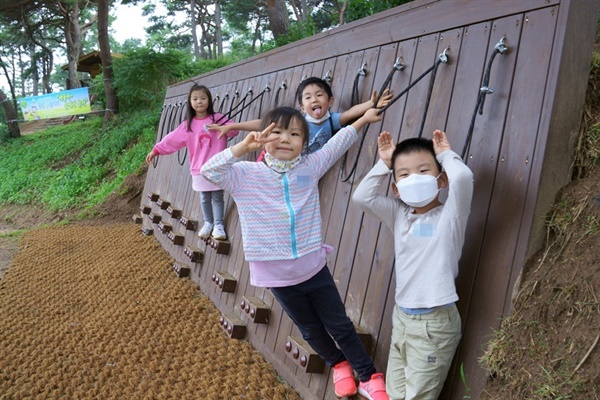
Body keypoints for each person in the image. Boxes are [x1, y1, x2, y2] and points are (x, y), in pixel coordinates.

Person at [201, 106, 389, 400]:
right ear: (263, 136)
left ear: (304, 141)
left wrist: (363, 119)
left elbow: (336, 145)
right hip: (277, 276)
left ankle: (367, 375)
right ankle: (338, 365)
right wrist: (241, 147)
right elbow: (209, 171)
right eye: (276, 131)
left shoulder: (309, 169)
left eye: (294, 133)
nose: (285, 139)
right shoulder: (244, 175)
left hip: (312, 266)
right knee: (311, 330)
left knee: (339, 323)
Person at [352, 130, 474, 400]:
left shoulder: (450, 216)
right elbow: (362, 197)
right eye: (404, 175)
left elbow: (463, 177)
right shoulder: (399, 214)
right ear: (396, 187)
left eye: (423, 170)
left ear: (441, 179)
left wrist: (444, 154)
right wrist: (384, 164)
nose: (414, 179)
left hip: (434, 323)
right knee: (396, 393)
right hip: (403, 318)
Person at [145, 84, 238, 240]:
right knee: (204, 197)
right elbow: (171, 139)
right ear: (190, 102)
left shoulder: (218, 118)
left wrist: (224, 126)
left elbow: (234, 130)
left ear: (209, 100)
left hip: (217, 167)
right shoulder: (187, 125)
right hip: (199, 168)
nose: (199, 102)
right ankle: (208, 223)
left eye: (203, 98)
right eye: (195, 99)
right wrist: (156, 150)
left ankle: (219, 225)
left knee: (217, 196)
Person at [207, 76, 392, 154]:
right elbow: (263, 124)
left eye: (320, 95)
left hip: (310, 168)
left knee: (302, 188)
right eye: (308, 97)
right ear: (302, 106)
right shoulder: (297, 119)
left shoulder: (332, 120)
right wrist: (233, 126)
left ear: (331, 101)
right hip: (285, 160)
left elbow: (351, 113)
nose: (314, 100)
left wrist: (371, 104)